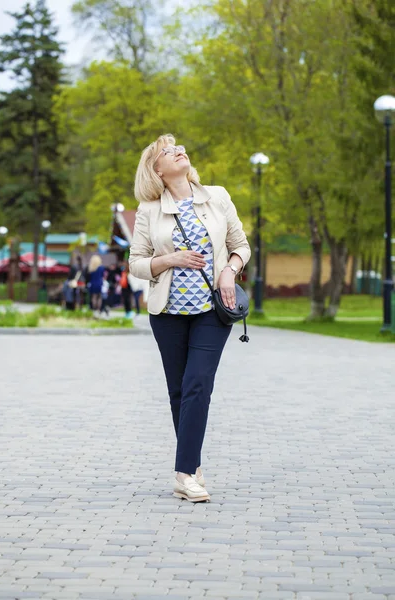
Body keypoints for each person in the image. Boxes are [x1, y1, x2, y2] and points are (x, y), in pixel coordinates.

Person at [129, 134, 251, 503]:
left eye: (178, 147)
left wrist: (229, 271)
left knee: (198, 383)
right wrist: (171, 259)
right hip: (167, 313)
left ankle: (184, 475)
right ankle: (192, 466)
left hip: (212, 311)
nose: (178, 151)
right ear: (157, 169)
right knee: (179, 391)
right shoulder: (149, 210)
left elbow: (240, 245)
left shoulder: (217, 196)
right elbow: (136, 262)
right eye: (167, 151)